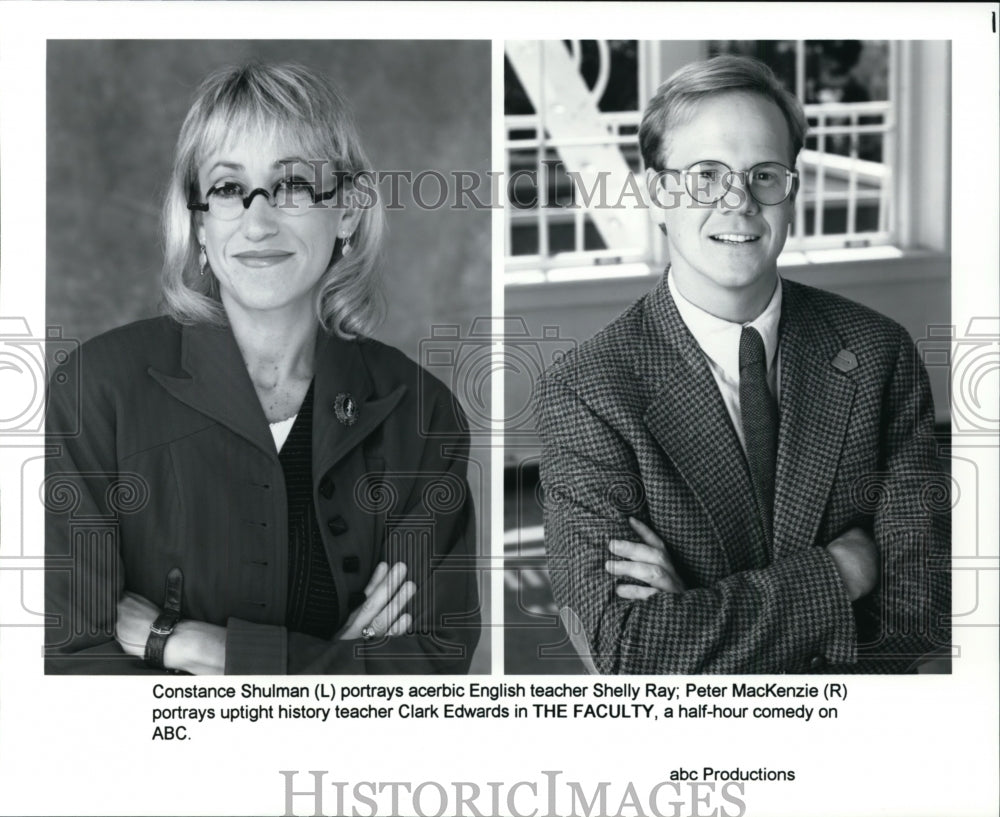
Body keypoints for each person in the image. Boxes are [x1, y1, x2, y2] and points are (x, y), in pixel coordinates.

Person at [45, 63, 480, 675]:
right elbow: (68, 668)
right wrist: (336, 666)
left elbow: (429, 669)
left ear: (348, 213)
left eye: (294, 185)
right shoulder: (95, 391)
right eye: (227, 189)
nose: (258, 221)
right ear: (199, 221)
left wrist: (194, 645)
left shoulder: (420, 412)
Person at [537, 55, 949, 674]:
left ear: (791, 193)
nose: (738, 201)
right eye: (706, 175)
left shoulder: (879, 355)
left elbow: (923, 609)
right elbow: (631, 654)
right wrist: (844, 569)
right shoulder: (587, 393)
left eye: (763, 174)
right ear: (657, 193)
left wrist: (698, 618)